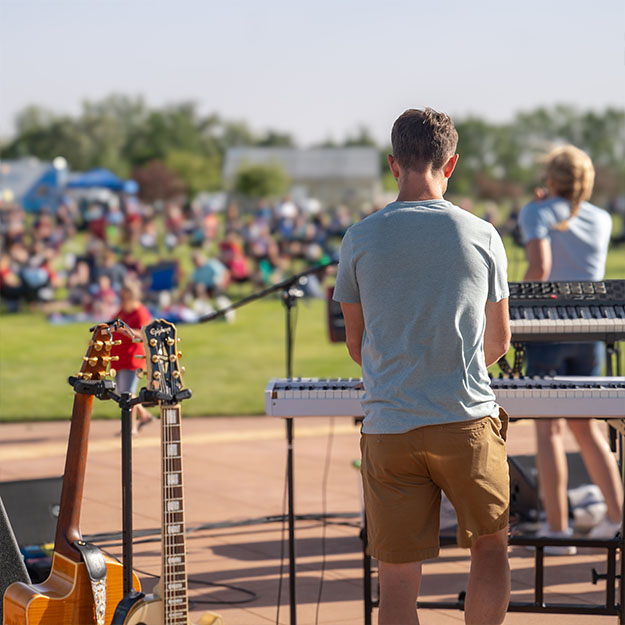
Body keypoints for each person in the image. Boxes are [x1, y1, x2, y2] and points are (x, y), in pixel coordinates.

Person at [333, 108, 511, 625]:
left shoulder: (359, 238)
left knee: (397, 580)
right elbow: (498, 340)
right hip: (465, 421)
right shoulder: (482, 235)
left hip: (390, 427)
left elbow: (357, 344)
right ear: (449, 163)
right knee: (492, 549)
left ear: (394, 164)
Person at [519, 144, 622, 553]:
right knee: (587, 428)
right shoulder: (602, 217)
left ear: (550, 178)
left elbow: (540, 269)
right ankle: (616, 517)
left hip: (547, 325)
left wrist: (516, 302)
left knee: (548, 428)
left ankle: (558, 530)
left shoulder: (536, 211)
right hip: (590, 326)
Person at [111, 278, 154, 435]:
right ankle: (144, 415)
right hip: (119, 357)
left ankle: (131, 428)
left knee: (127, 394)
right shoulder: (122, 311)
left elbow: (144, 333)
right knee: (121, 392)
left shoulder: (140, 312)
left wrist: (125, 331)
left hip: (132, 358)